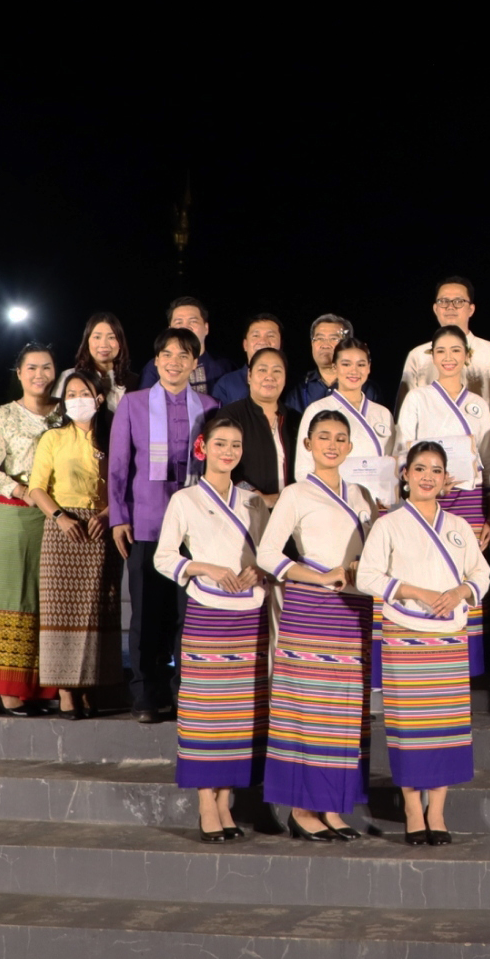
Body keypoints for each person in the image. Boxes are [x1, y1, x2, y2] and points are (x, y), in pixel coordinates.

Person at [356, 441, 490, 845]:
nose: (427, 476)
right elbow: (367, 577)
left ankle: (438, 811)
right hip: (405, 638)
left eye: (435, 469)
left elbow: (481, 574)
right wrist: (412, 590)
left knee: (446, 728)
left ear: (445, 477)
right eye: (420, 469)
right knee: (410, 727)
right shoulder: (389, 524)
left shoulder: (457, 526)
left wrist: (462, 591)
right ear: (406, 475)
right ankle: (413, 810)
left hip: (448, 640)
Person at [154, 412, 272, 843]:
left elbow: (268, 556)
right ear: (203, 447)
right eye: (220, 444)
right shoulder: (184, 500)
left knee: (240, 715)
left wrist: (257, 571)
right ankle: (207, 801)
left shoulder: (252, 500)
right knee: (207, 714)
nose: (228, 452)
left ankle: (227, 802)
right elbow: (163, 557)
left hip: (249, 615)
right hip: (208, 613)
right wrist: (206, 567)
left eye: (235, 446)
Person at [260, 410, 377, 841]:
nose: (332, 444)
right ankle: (300, 809)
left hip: (353, 611)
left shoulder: (363, 495)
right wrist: (320, 575)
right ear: (307, 444)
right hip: (310, 608)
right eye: (323, 436)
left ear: (350, 447)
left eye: (340, 438)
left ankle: (331, 805)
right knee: (306, 709)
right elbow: (268, 554)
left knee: (344, 711)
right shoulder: (295, 493)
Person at [107, 328, 219, 723]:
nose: (175, 361)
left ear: (194, 362)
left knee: (184, 616)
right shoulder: (134, 404)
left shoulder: (209, 406)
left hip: (192, 532)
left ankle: (183, 692)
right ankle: (145, 694)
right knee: (146, 614)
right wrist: (119, 516)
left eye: (184, 355)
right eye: (167, 354)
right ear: (157, 361)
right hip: (146, 524)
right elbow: (118, 466)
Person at [395, 324, 490, 674]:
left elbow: (488, 462)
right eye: (441, 351)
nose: (449, 358)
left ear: (468, 356)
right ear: (431, 356)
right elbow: (402, 451)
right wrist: (429, 479)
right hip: (427, 498)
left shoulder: (478, 405)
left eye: (456, 350)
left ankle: (468, 664)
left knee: (465, 571)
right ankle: (425, 653)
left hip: (468, 502)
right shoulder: (417, 398)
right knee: (426, 567)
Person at [23, 370, 122, 718]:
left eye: (85, 392)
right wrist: (60, 517)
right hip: (63, 529)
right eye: (72, 393)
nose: (78, 398)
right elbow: (36, 487)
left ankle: (92, 683)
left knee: (99, 609)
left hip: (101, 528)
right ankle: (66, 690)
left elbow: (125, 483)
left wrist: (109, 514)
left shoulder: (113, 437)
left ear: (98, 399)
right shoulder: (52, 438)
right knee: (59, 612)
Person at [0, 344, 60, 713]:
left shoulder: (65, 414)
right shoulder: (4, 415)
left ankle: (48, 687)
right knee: (11, 598)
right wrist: (21, 490)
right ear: (19, 373)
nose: (40, 374)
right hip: (16, 510)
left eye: (47, 367)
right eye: (32, 368)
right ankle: (9, 688)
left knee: (49, 600)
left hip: (57, 514)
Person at [397, 278, 490, 430]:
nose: (450, 307)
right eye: (443, 301)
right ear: (435, 308)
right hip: (430, 447)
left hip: (478, 447)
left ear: (471, 309)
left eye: (458, 301)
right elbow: (405, 415)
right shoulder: (418, 355)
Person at [294, 337, 395, 504]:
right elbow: (303, 469)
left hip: (378, 504)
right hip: (334, 501)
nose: (354, 371)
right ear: (335, 367)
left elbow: (392, 463)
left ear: (369, 367)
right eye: (346, 364)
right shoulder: (317, 409)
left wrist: (388, 497)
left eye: (361, 364)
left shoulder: (382, 413)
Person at [224, 346, 297, 504]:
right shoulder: (231, 416)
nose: (269, 377)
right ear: (249, 376)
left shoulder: (295, 419)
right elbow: (222, 466)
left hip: (292, 512)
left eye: (277, 371)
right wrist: (258, 497)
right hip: (245, 509)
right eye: (262, 370)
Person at [71, 312, 135, 455]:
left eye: (111, 337)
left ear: (120, 342)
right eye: (97, 337)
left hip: (125, 457)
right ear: (87, 341)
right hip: (81, 457)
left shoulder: (135, 382)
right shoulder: (71, 379)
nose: (104, 344)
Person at [211, 313, 297, 408]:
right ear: (245, 344)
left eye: (271, 336)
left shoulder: (295, 385)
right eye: (256, 336)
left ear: (281, 344)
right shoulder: (226, 384)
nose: (263, 341)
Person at [166, 296, 237, 397]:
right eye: (179, 322)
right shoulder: (157, 368)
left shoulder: (225, 367)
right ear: (169, 330)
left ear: (206, 328)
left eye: (193, 321)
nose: (185, 327)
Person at [296, 314, 354, 410]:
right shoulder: (298, 388)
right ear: (312, 344)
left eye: (334, 338)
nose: (325, 345)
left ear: (348, 345)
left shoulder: (365, 388)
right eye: (319, 338)